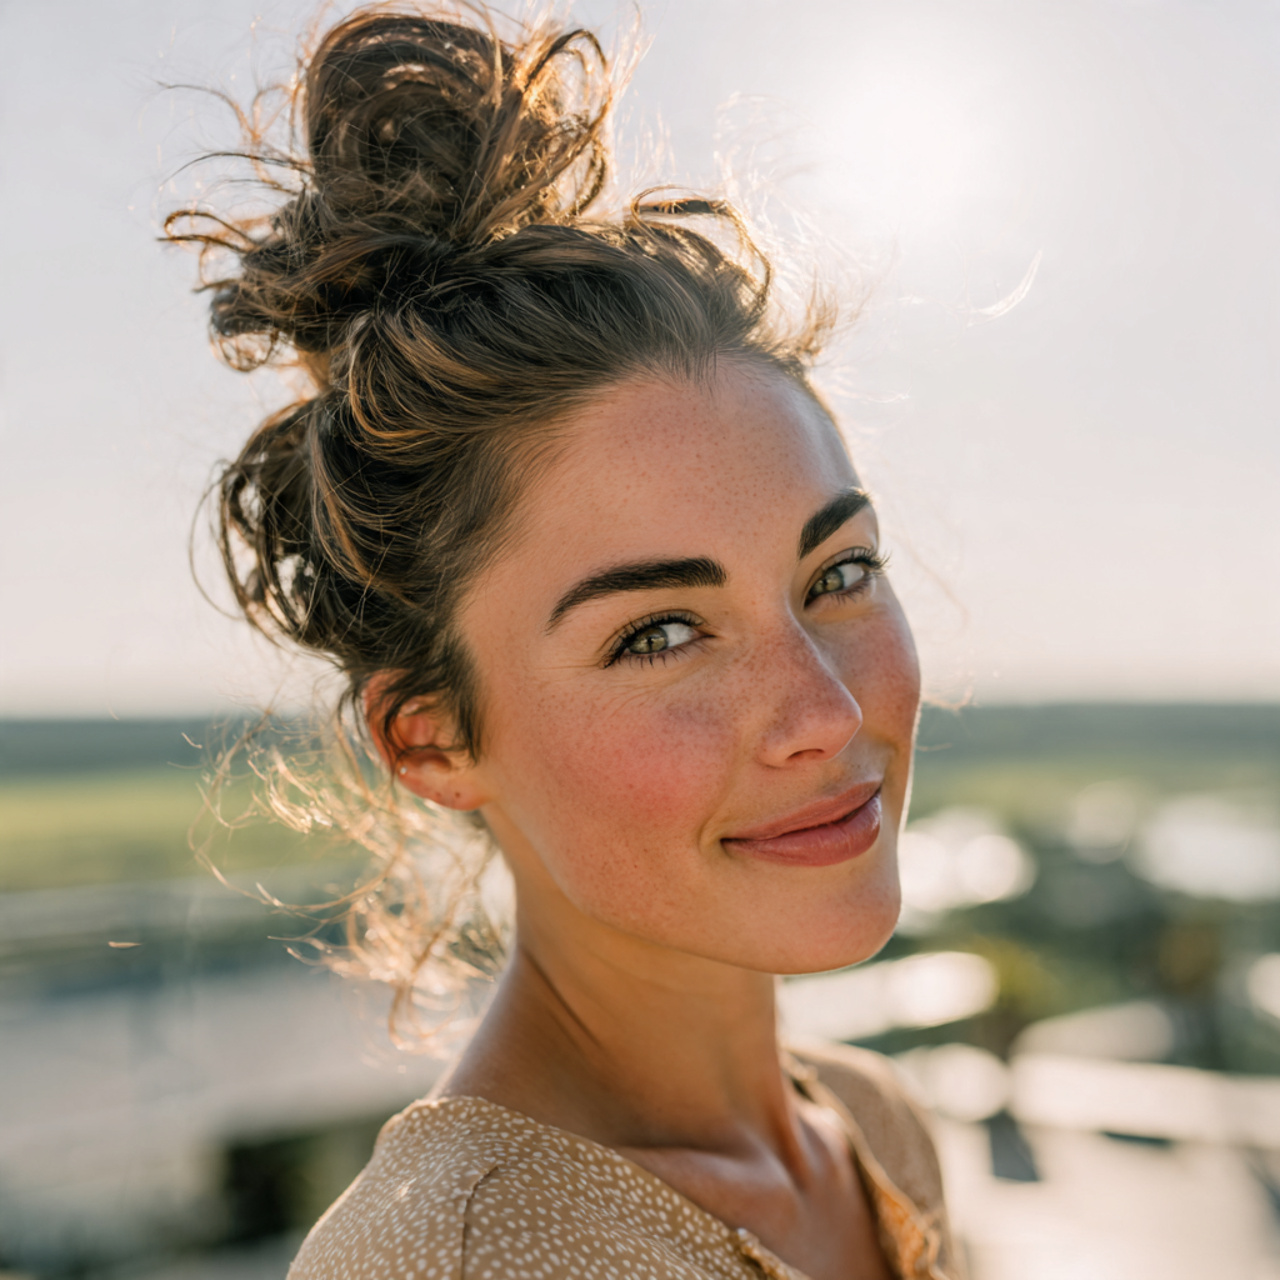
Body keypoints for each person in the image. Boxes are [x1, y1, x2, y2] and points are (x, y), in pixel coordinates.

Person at [169, 6, 962, 1278]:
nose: (821, 709)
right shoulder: (466, 1255)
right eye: (659, 632)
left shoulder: (873, 1128)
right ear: (431, 740)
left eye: (838, 573)